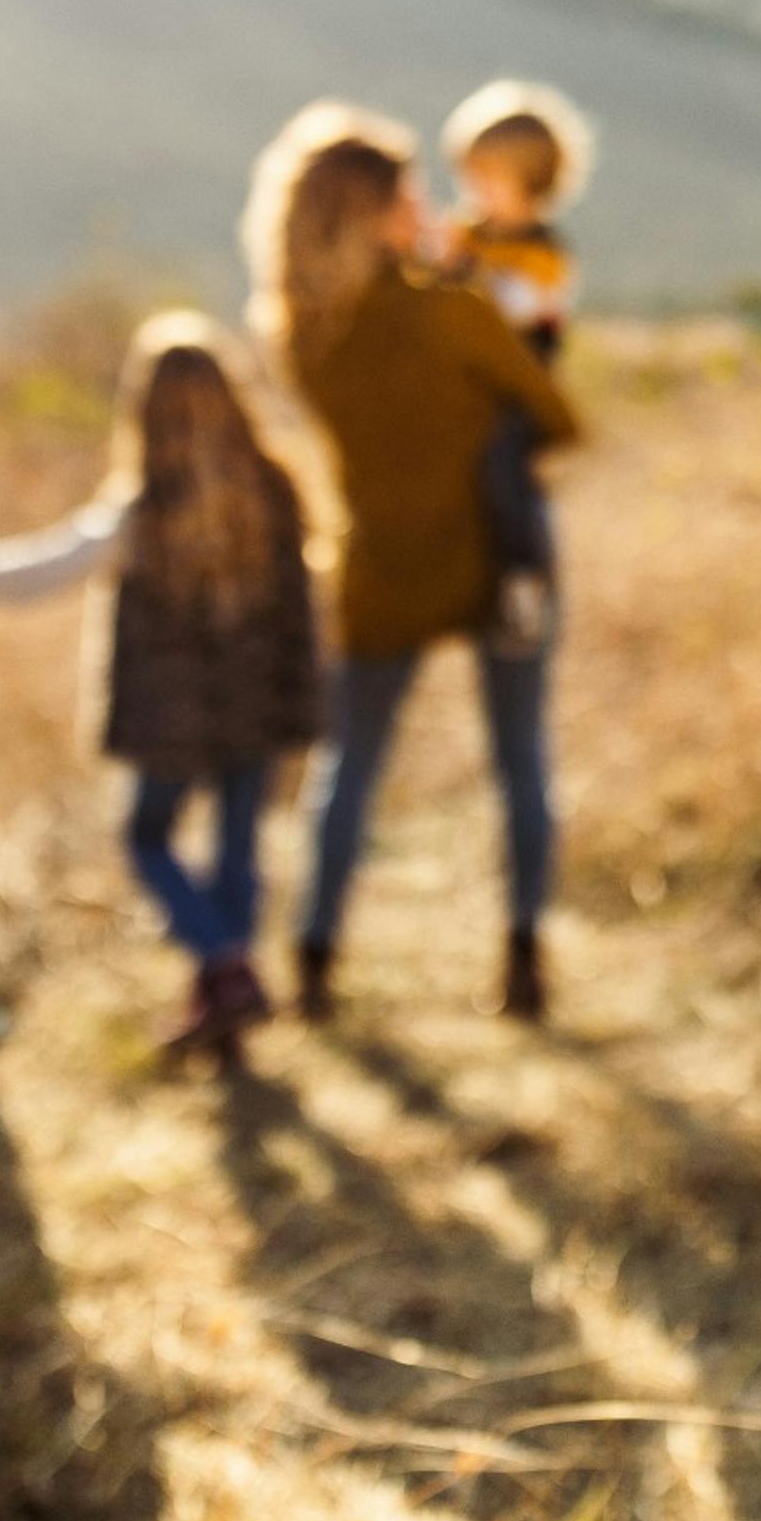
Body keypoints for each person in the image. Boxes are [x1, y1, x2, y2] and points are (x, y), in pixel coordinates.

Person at [246, 101, 583, 1025]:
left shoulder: (299, 334)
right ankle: (522, 956)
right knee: (520, 759)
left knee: (347, 767)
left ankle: (314, 958)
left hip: (379, 560)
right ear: (379, 211)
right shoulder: (452, 313)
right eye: (410, 193)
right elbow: (556, 414)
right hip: (498, 552)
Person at [0, 312, 322, 1061]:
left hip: (172, 719)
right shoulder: (275, 490)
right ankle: (225, 990)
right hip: (256, 706)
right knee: (237, 849)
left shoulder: (143, 506)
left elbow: (49, 568)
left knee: (147, 837)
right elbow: (306, 608)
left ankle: (225, 969)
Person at [436, 78, 595, 657]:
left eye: (487, 178)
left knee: (504, 469)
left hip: (519, 394)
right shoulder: (468, 235)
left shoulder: (546, 253)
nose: (473, 191)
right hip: (467, 390)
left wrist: (464, 274)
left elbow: (519, 310)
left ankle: (524, 578)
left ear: (531, 182)